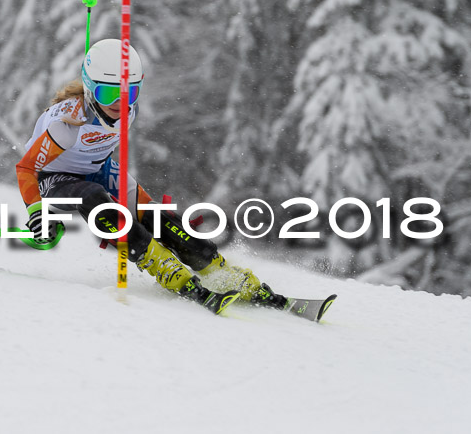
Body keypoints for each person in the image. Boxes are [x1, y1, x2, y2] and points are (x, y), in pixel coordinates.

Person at [15, 38, 289, 315]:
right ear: (89, 88)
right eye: (108, 94)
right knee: (96, 199)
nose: (120, 104)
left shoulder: (129, 112)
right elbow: (26, 168)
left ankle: (217, 268)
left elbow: (98, 148)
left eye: (129, 93)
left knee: (155, 216)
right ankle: (163, 266)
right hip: (53, 176)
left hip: (97, 168)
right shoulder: (66, 125)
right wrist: (38, 213)